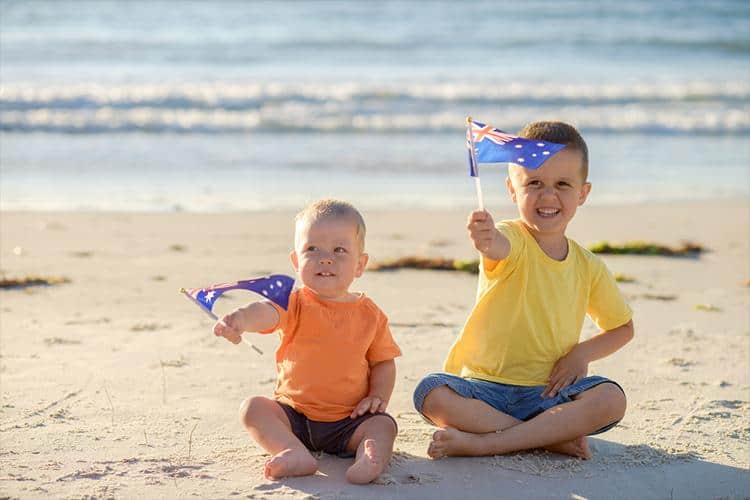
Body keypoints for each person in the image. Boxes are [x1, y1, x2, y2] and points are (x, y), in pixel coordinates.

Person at [413, 121, 634, 460]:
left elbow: (622, 328)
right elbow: (497, 247)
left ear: (583, 193)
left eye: (562, 184)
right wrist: (485, 238)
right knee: (430, 392)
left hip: (548, 394)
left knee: (611, 399)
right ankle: (548, 437)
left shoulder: (588, 266)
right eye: (534, 183)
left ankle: (489, 442)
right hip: (484, 390)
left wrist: (581, 354)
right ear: (512, 190)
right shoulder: (512, 237)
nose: (548, 196)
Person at [214, 199, 401, 484]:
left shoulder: (370, 315)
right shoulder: (293, 302)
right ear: (295, 261)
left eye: (339, 250)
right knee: (253, 408)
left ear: (360, 264)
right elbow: (264, 313)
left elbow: (383, 362)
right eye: (312, 249)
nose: (325, 258)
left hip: (351, 421)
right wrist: (240, 319)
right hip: (295, 417)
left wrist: (378, 397)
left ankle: (370, 457)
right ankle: (292, 451)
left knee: (383, 426)